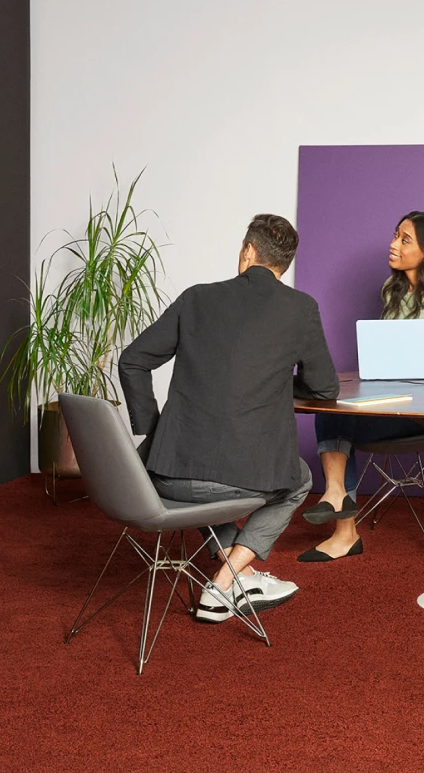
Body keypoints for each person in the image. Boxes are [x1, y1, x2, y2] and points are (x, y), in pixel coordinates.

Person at [119, 214, 340, 622]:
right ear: (284, 264)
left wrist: (151, 433)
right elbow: (326, 389)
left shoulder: (196, 297)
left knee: (205, 484)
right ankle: (226, 581)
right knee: (301, 480)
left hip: (165, 474)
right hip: (234, 481)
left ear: (248, 251)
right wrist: (274, 383)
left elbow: (132, 361)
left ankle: (237, 576)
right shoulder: (301, 308)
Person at [301, 211, 424, 562]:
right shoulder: (393, 289)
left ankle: (342, 523)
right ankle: (340, 508)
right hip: (394, 400)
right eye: (395, 235)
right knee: (330, 408)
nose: (393, 244)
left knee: (340, 420)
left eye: (405, 239)